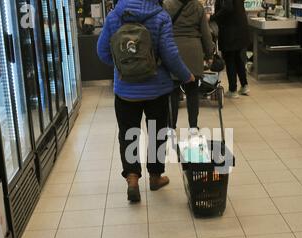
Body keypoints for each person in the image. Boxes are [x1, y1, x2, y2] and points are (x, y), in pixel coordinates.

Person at [97, 0, 195, 202]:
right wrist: (186, 75)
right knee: (157, 133)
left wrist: (123, 67)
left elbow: (102, 51)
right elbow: (170, 54)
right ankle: (155, 177)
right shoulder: (160, 16)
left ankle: (132, 179)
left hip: (125, 90)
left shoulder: (115, 15)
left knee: (129, 134)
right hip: (157, 89)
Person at [163, 0, 215, 132]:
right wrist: (209, 54)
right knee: (192, 91)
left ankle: (171, 127)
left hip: (173, 50)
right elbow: (206, 33)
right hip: (194, 51)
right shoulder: (198, 6)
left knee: (173, 92)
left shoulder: (166, 5)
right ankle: (193, 126)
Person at [212, 0, 250, 99]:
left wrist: (213, 17)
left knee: (230, 59)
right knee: (237, 58)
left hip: (230, 30)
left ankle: (233, 90)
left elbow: (227, 8)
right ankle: (244, 85)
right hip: (240, 28)